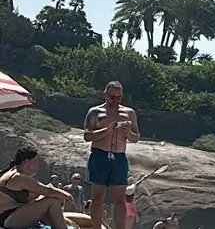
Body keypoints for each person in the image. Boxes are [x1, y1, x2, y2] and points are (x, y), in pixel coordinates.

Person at [83, 81, 140, 229]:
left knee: (120, 199)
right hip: (100, 155)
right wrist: (106, 130)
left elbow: (136, 137)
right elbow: (87, 136)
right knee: (97, 198)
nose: (115, 100)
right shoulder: (95, 112)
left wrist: (128, 133)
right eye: (112, 97)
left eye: (118, 98)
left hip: (119, 156)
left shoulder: (129, 113)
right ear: (105, 94)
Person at [0, 146, 74, 229]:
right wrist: (68, 196)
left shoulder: (12, 172)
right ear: (26, 162)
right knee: (53, 200)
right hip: (8, 219)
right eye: (35, 161)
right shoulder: (18, 177)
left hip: (10, 216)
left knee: (45, 198)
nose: (38, 164)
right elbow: (49, 191)